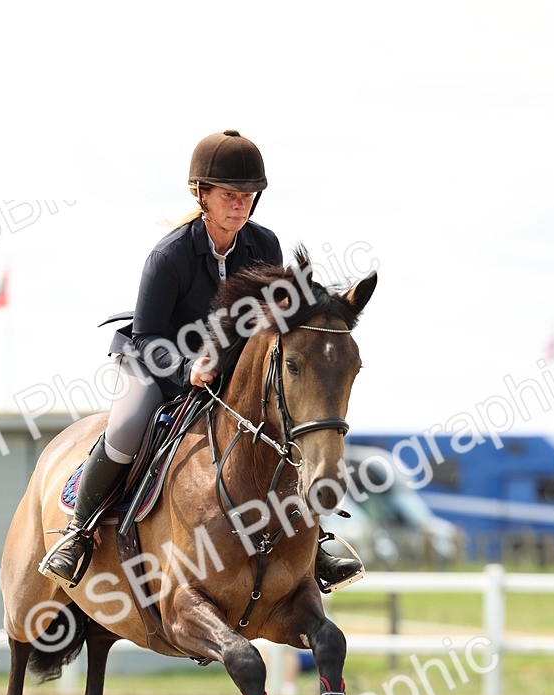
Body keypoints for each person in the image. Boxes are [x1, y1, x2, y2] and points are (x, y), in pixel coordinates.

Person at [39, 129, 364, 591]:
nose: (240, 205)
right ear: (203, 195)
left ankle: (315, 544)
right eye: (229, 195)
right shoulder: (169, 255)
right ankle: (78, 533)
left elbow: (268, 326)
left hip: (226, 365)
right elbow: (149, 334)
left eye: (248, 197)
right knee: (127, 427)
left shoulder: (263, 245)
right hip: (155, 361)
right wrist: (186, 369)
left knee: (281, 426)